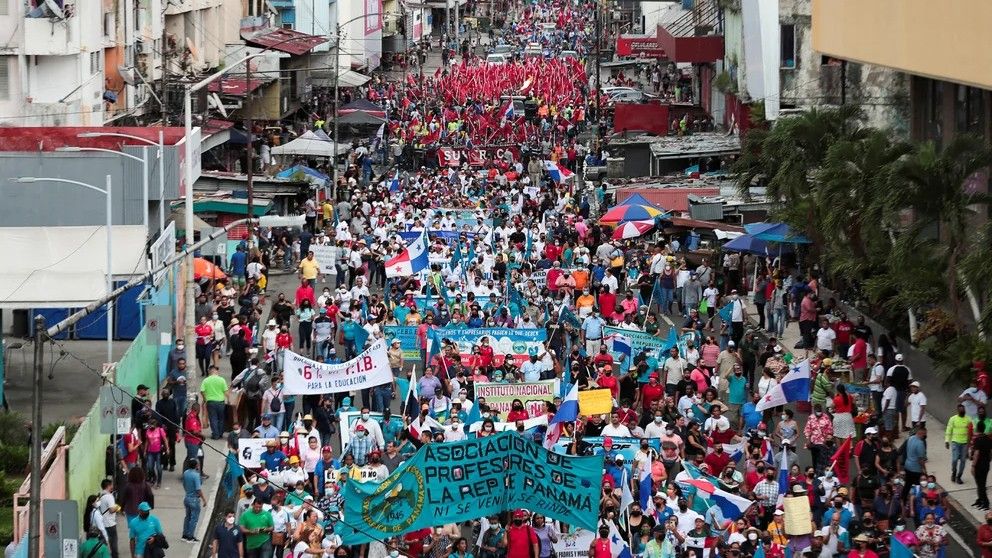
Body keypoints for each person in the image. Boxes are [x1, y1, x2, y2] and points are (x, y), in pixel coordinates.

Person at [182, 458, 207, 542]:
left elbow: (184, 484)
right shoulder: (196, 475)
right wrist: (204, 500)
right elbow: (198, 489)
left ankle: (185, 534)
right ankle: (190, 536)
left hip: (187, 497)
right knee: (194, 518)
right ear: (196, 465)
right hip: (194, 499)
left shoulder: (186, 473)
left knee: (187, 517)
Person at [974, 421, 992, 510]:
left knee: (980, 484)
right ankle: (980, 499)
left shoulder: (977, 440)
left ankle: (985, 502)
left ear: (977, 428)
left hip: (979, 465)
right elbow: (991, 452)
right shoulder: (988, 439)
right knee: (982, 483)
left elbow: (976, 453)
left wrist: (973, 465)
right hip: (986, 464)